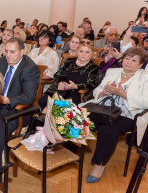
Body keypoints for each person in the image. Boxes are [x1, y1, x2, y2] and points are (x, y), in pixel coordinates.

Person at [82, 47, 148, 183]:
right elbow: (96, 91)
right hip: (103, 109)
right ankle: (69, 150)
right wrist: (103, 93)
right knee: (79, 118)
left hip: (128, 114)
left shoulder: (145, 77)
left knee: (107, 130)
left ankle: (99, 165)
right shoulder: (112, 71)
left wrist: (123, 94)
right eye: (127, 58)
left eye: (134, 60)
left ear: (141, 64)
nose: (129, 62)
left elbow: (146, 101)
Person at [0, 38, 40, 135]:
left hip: (14, 112)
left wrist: (5, 100)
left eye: (12, 52)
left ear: (22, 52)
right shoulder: (0, 62)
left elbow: (28, 97)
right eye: (6, 51)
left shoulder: (30, 68)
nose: (8, 55)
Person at [39, 40, 99, 107]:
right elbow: (57, 75)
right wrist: (59, 83)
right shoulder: (69, 61)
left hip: (75, 93)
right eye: (81, 51)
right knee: (43, 101)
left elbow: (92, 84)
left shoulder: (93, 67)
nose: (83, 54)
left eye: (87, 52)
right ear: (77, 52)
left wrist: (75, 86)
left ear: (92, 54)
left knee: (63, 107)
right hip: (59, 89)